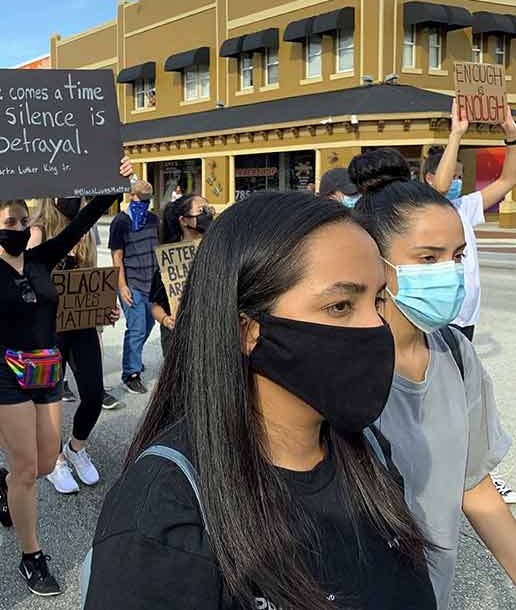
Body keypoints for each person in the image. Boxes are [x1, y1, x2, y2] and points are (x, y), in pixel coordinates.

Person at [85, 190, 437, 610]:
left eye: (378, 299)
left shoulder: (370, 453)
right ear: (248, 331)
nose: (375, 326)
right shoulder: (165, 515)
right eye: (340, 305)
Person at [0, 158, 132, 597]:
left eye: (24, 220)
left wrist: (114, 183)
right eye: (11, 220)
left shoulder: (43, 258)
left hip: (46, 371)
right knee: (29, 469)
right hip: (2, 374)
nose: (20, 226)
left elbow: (82, 223)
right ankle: (32, 555)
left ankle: (4, 483)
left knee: (44, 464)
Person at [350, 148, 516, 609]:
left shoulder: (456, 355)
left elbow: (474, 484)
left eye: (458, 256)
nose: (449, 271)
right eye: (428, 258)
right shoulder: (337, 364)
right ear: (375, 262)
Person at [28, 198, 123, 495]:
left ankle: (76, 448)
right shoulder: (38, 230)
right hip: (46, 329)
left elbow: (91, 281)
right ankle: (54, 460)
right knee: (47, 400)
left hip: (80, 325)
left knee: (94, 393)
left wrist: (104, 307)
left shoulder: (87, 233)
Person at [423, 100, 516, 341]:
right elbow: (441, 187)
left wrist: (512, 136)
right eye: (452, 175)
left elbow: (507, 181)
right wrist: (457, 133)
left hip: (466, 319)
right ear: (428, 178)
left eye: (460, 177)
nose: (456, 182)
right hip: (440, 319)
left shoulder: (464, 206)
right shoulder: (422, 210)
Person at [109, 179, 160, 394]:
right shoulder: (120, 222)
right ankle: (131, 374)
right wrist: (122, 286)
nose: (144, 203)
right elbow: (116, 256)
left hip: (153, 284)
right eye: (141, 198)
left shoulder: (154, 219)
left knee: (149, 325)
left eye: (148, 199)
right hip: (133, 283)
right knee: (137, 329)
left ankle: (134, 357)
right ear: (131, 196)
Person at [149, 194, 213, 357]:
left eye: (208, 209)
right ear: (184, 220)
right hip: (179, 342)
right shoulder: (169, 261)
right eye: (201, 210)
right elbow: (156, 306)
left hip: (210, 337)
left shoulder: (217, 252)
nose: (207, 214)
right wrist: (166, 320)